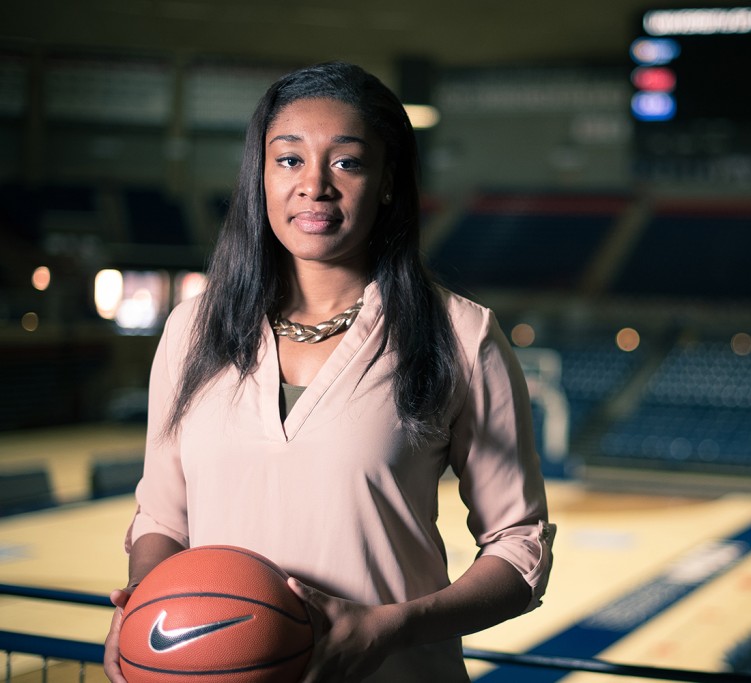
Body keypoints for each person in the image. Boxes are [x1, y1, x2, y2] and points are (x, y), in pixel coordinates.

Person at [103, 61, 555, 683]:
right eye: (289, 160)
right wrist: (143, 619)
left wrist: (390, 626)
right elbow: (161, 519)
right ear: (260, 175)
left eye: (347, 161)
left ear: (388, 180)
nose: (314, 185)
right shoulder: (192, 330)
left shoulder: (460, 335)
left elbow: (519, 548)